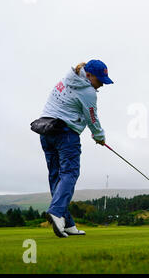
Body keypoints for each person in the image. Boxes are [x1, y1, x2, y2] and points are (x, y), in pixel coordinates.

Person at [37, 59, 113, 238]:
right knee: (69, 173)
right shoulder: (88, 91)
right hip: (65, 134)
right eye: (99, 80)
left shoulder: (66, 79)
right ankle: (56, 212)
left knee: (56, 176)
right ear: (88, 75)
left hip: (46, 131)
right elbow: (92, 118)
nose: (101, 85)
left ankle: (68, 223)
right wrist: (99, 137)